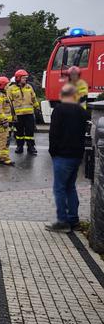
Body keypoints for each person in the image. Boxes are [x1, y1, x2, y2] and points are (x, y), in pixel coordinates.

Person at [46, 84, 90, 233]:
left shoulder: (59, 110)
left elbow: (54, 133)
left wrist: (53, 152)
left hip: (62, 155)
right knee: (70, 187)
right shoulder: (82, 112)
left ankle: (62, 222)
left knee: (59, 189)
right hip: (76, 155)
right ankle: (73, 220)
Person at [7, 69, 39, 155]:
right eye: (23, 78)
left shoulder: (29, 87)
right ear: (18, 78)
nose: (25, 79)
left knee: (30, 131)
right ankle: (19, 146)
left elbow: (34, 98)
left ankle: (31, 147)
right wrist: (10, 114)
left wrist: (37, 107)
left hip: (29, 114)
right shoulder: (11, 89)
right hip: (18, 115)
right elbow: (8, 102)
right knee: (19, 132)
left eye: (26, 78)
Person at [0, 76, 14, 166]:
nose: (8, 86)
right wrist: (4, 120)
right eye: (7, 85)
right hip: (1, 122)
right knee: (3, 140)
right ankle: (4, 159)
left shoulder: (0, 94)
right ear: (2, 85)